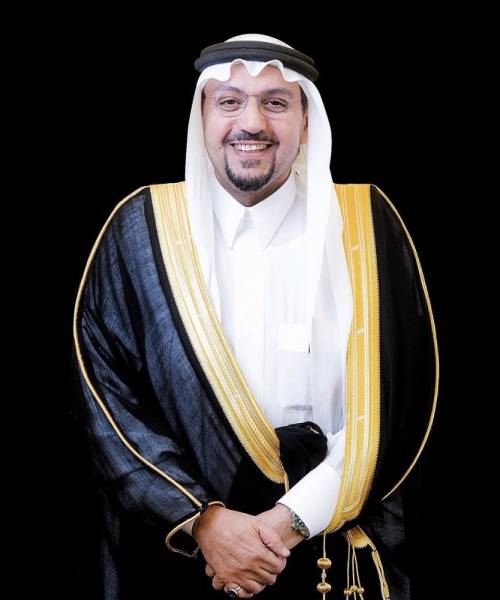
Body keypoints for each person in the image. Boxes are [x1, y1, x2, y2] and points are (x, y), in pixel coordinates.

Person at [73, 34, 438, 600]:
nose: (251, 123)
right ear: (202, 118)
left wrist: (288, 521)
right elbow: (109, 405)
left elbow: (404, 400)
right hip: (183, 556)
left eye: (274, 102)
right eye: (229, 101)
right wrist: (206, 523)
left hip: (329, 551)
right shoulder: (140, 228)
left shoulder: (367, 225)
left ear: (306, 121)